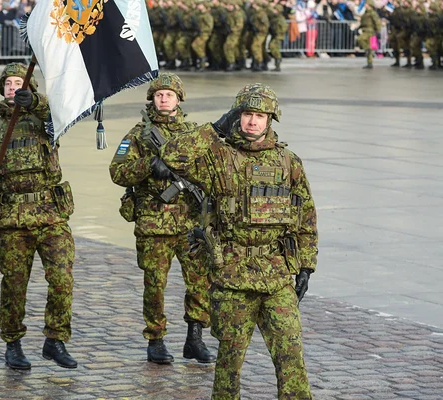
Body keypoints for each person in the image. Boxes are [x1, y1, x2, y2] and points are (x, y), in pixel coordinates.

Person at [160, 83, 318, 399]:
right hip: (233, 278)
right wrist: (214, 129)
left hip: (277, 278)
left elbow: (305, 216)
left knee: (291, 359)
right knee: (229, 364)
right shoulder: (218, 158)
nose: (252, 121)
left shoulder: (288, 162)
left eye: (259, 116)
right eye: (246, 114)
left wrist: (306, 266)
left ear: (270, 119)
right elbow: (171, 156)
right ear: (236, 116)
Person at [0, 63, 78, 370]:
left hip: (51, 216)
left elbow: (62, 114)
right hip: (14, 219)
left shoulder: (46, 123)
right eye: (8, 83)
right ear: (2, 90)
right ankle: (13, 343)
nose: (14, 87)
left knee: (62, 279)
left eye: (19, 82)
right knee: (14, 285)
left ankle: (55, 339)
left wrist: (37, 103)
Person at [109, 73, 215, 365]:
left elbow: (212, 170)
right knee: (155, 285)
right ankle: (155, 340)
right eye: (159, 95)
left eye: (169, 95)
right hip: (154, 224)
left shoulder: (193, 134)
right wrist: (148, 165)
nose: (164, 99)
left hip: (190, 223)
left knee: (200, 281)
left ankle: (195, 338)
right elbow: (117, 172)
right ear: (152, 99)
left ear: (179, 99)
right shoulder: (138, 134)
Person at [357, 0, 381, 69]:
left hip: (370, 31)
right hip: (365, 30)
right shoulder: (365, 13)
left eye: (366, 4)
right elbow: (363, 22)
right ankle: (369, 62)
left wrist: (378, 31)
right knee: (369, 47)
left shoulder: (372, 13)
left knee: (361, 39)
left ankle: (370, 62)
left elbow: (377, 22)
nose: (365, 5)